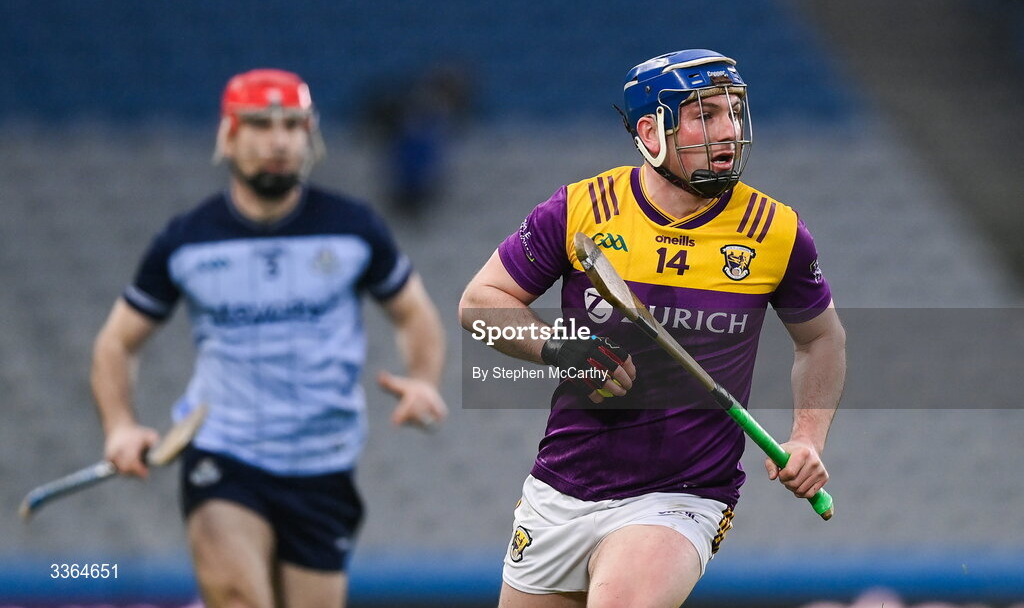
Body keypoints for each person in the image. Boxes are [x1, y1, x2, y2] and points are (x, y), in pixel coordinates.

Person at [459, 49, 846, 608]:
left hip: (680, 494)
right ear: (651, 130)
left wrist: (808, 436)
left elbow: (821, 339)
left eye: (734, 112)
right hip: (562, 485)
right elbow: (479, 303)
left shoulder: (775, 231)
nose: (728, 131)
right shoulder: (580, 208)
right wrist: (564, 348)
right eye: (705, 114)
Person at [90, 68, 448, 608]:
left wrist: (424, 381)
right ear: (229, 135)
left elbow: (415, 314)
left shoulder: (354, 228)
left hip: (323, 466)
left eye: (293, 124)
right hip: (224, 455)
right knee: (239, 598)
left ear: (311, 135)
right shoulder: (186, 240)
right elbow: (116, 342)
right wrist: (119, 425)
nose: (279, 139)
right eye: (260, 124)